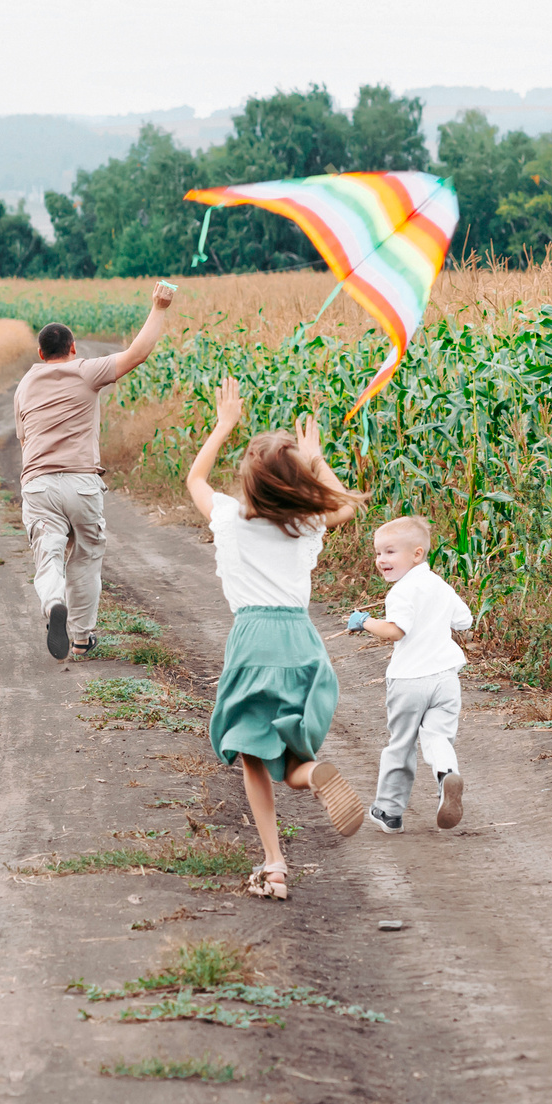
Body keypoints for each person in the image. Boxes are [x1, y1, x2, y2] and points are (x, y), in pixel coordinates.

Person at [184, 374, 369, 900]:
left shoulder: (228, 519)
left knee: (251, 754)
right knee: (289, 761)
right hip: (303, 642)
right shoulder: (308, 523)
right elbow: (346, 506)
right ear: (295, 483)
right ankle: (313, 777)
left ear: (248, 483)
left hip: (254, 639)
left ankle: (275, 863)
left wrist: (223, 426)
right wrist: (315, 459)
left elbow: (196, 480)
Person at [13, 282, 175, 660]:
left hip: (38, 483)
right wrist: (160, 307)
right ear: (73, 349)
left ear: (40, 353)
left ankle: (54, 602)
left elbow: (23, 440)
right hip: (82, 483)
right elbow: (138, 353)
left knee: (48, 552)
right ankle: (83, 638)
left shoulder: (24, 385)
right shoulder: (86, 371)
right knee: (85, 556)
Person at [348, 515, 473, 833]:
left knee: (401, 744)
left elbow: (395, 631)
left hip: (408, 681)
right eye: (378, 553)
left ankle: (389, 811)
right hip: (445, 679)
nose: (380, 560)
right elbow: (465, 620)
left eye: (390, 552)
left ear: (417, 554)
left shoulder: (401, 592)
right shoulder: (439, 586)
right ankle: (446, 776)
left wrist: (364, 622)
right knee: (438, 736)